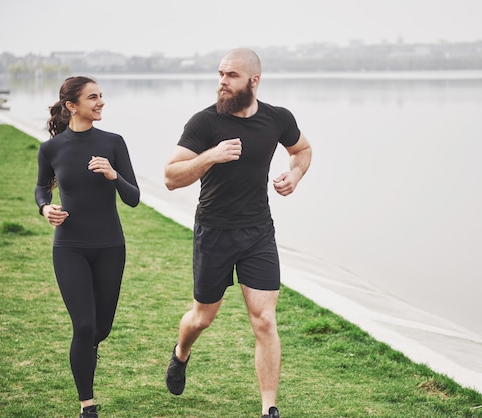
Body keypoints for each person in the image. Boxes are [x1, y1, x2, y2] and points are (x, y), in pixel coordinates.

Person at [163, 48, 312, 418]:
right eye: (220, 74)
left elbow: (303, 149)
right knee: (202, 317)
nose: (222, 82)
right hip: (213, 231)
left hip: (258, 232)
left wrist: (295, 174)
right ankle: (181, 354)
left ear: (253, 81)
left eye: (230, 75)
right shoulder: (205, 123)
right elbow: (170, 177)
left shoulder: (278, 119)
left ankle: (269, 408)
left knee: (264, 319)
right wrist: (209, 156)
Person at [35, 76, 140, 418]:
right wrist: (44, 207)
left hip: (110, 246)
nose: (101, 102)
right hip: (69, 247)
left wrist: (113, 175)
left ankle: (90, 348)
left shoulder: (113, 142)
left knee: (100, 328)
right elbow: (42, 188)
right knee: (83, 326)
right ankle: (87, 407)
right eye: (93, 97)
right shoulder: (52, 148)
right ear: (72, 105)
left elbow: (134, 198)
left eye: (101, 96)